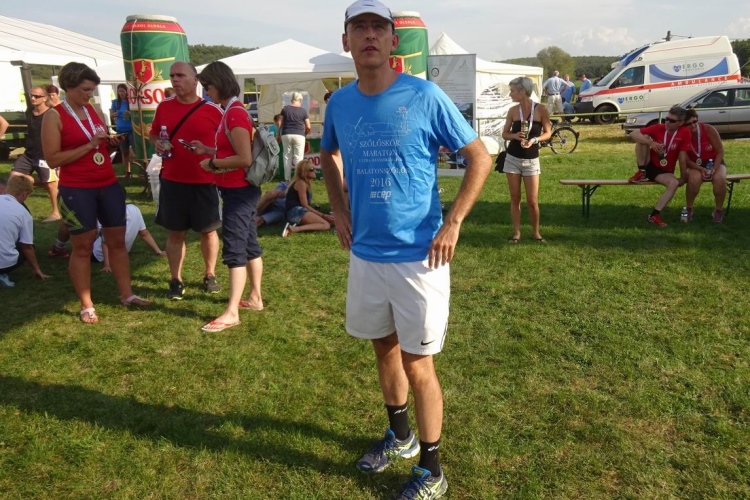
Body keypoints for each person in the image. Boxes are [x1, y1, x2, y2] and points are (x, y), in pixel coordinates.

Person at [320, 1, 492, 497]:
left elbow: (479, 156)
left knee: (418, 364)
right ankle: (400, 437)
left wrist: (453, 222)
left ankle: (432, 470)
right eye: (360, 27)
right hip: (366, 254)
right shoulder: (339, 103)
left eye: (379, 27)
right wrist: (339, 209)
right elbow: (327, 154)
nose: (370, 35)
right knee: (383, 348)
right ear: (347, 41)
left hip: (420, 257)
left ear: (393, 41)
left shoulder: (424, 95)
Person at [41, 62, 151, 323]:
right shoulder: (54, 116)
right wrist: (90, 145)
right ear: (69, 87)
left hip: (107, 183)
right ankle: (86, 304)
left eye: (92, 90)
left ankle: (127, 294)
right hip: (77, 188)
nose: (89, 95)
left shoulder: (92, 110)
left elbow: (98, 143)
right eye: (85, 89)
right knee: (82, 245)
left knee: (117, 242)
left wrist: (108, 143)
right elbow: (53, 159)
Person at [195, 60, 264, 332]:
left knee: (235, 248)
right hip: (241, 190)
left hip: (238, 190)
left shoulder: (234, 113)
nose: (206, 92)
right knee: (249, 244)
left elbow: (244, 158)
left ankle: (232, 311)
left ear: (220, 84)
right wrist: (208, 151)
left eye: (208, 86)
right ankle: (255, 297)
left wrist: (212, 164)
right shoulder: (233, 110)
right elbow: (234, 151)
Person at [150, 61, 224, 300]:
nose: (175, 80)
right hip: (173, 180)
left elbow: (226, 146)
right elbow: (153, 134)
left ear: (195, 80)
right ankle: (176, 279)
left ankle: (210, 274)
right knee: (176, 233)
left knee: (209, 232)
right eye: (172, 76)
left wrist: (210, 154)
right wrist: (157, 144)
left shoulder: (213, 110)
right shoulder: (164, 107)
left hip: (205, 181)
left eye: (180, 75)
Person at [501, 77, 553, 244]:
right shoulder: (513, 111)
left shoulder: (541, 109)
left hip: (531, 160)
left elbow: (548, 133)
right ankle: (516, 233)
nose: (510, 94)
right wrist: (514, 136)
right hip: (512, 158)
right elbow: (504, 134)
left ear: (522, 91)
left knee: (532, 200)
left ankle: (536, 233)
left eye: (512, 91)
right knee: (515, 198)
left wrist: (534, 140)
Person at [628, 105, 690, 226]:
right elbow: (633, 134)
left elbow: (682, 157)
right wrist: (651, 143)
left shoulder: (684, 132)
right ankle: (641, 171)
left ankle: (654, 215)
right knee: (643, 137)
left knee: (674, 183)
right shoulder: (659, 127)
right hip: (649, 164)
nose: (667, 122)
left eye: (672, 121)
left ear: (681, 123)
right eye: (667, 119)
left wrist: (683, 177)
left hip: (664, 170)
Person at [9, 86, 61, 222]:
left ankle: (56, 213)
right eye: (31, 95)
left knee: (51, 185)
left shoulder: (51, 113)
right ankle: (15, 209)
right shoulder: (29, 112)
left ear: (45, 98)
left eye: (37, 96)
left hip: (45, 154)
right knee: (14, 178)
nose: (33, 98)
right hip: (29, 153)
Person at [0, 176, 50, 288]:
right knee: (28, 246)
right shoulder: (24, 213)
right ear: (24, 193)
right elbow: (27, 246)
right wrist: (37, 268)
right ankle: (2, 274)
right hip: (4, 262)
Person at [682, 109, 727, 223]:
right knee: (694, 179)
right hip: (694, 165)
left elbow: (720, 152)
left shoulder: (708, 129)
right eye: (688, 124)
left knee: (720, 178)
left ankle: (718, 210)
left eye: (695, 121)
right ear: (683, 125)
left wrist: (713, 169)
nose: (693, 125)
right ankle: (689, 208)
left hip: (715, 162)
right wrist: (701, 169)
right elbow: (686, 160)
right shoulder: (682, 134)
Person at [96, 203, 165, 271]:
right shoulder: (135, 209)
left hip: (98, 253)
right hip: (118, 251)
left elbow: (105, 242)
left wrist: (107, 265)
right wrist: (159, 252)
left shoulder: (107, 214)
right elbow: (144, 233)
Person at [281, 159, 334, 237]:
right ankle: (294, 228)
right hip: (296, 212)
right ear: (304, 172)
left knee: (332, 221)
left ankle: (296, 225)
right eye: (312, 169)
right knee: (326, 225)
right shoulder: (301, 183)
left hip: (298, 211)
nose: (315, 171)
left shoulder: (305, 183)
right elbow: (304, 205)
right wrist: (322, 215)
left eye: (314, 169)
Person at [279, 91, 311, 181]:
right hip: (299, 134)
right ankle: (298, 177)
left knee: (287, 156)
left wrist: (278, 133)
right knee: (298, 157)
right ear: (299, 100)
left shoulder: (285, 109)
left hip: (286, 133)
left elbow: (279, 123)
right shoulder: (303, 111)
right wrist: (305, 133)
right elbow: (308, 126)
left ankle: (287, 178)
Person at [110, 83, 134, 178]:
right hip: (120, 130)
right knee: (124, 151)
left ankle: (142, 171)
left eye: (123, 91)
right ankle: (127, 171)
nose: (121, 93)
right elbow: (112, 113)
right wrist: (114, 114)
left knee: (136, 151)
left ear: (127, 92)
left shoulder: (131, 101)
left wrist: (130, 113)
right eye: (119, 91)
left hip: (132, 129)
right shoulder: (115, 102)